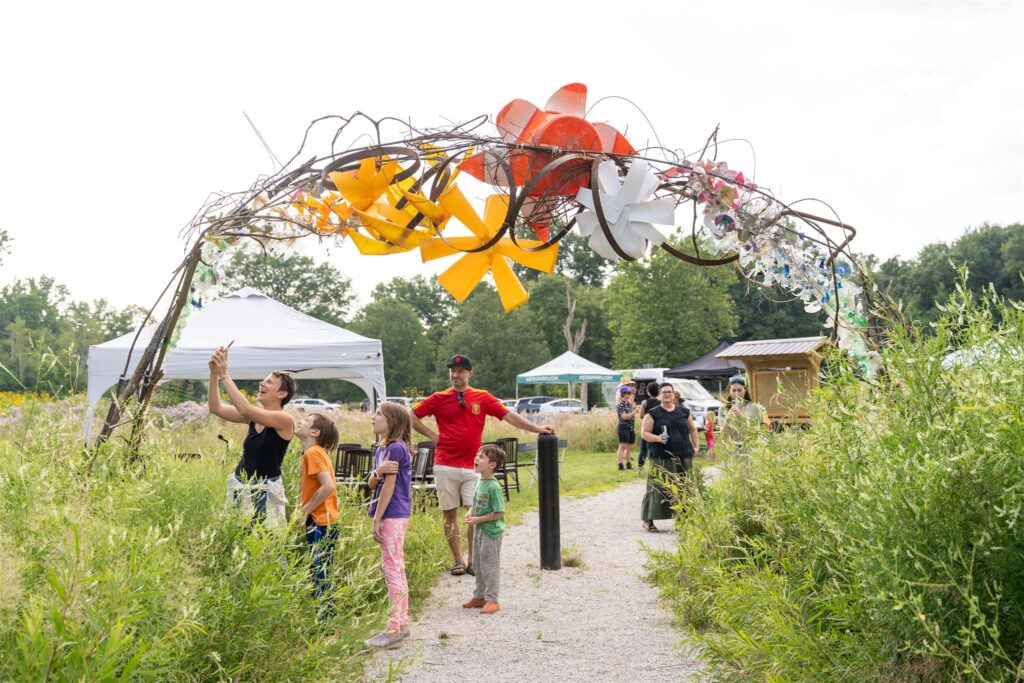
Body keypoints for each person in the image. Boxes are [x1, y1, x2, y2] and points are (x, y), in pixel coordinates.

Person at [411, 354, 554, 577]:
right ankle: (458, 560)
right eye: (452, 370)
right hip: (445, 464)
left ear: (470, 373)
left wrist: (537, 429)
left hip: (473, 466)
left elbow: (509, 416)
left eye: (460, 370)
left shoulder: (482, 397)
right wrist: (431, 435)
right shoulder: (439, 398)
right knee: (449, 514)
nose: (455, 374)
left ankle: (473, 560)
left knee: (474, 513)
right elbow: (411, 415)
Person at [208, 346, 295, 525]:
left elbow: (245, 408)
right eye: (263, 381)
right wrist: (214, 374)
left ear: (282, 394)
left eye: (269, 382)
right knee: (238, 542)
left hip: (265, 490)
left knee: (266, 542)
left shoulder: (285, 420)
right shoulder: (253, 418)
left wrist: (225, 375)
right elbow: (216, 408)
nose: (262, 384)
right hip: (240, 485)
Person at [364, 402, 414, 649]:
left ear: (392, 421)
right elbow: (373, 484)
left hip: (393, 514)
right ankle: (402, 623)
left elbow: (390, 487)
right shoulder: (382, 449)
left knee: (392, 568)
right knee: (396, 567)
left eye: (378, 415)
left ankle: (394, 628)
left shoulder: (396, 448)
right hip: (390, 513)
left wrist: (377, 518)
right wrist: (378, 471)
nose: (373, 418)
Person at [293, 413, 340, 622]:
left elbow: (328, 486)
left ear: (314, 432)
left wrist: (303, 512)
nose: (300, 421)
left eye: (305, 420)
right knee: (323, 573)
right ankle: (328, 623)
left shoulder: (312, 453)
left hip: (319, 521)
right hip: (326, 520)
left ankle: (325, 627)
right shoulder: (317, 452)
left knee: (318, 574)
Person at [639, 382, 699, 532]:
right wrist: (658, 438)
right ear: (659, 395)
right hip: (661, 457)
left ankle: (684, 519)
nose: (667, 394)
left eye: (669, 392)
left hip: (683, 456)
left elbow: (693, 430)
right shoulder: (653, 413)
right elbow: (644, 433)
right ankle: (648, 521)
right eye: (664, 392)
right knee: (658, 487)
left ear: (674, 395)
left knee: (683, 487)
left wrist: (696, 446)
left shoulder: (684, 412)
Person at [462, 444, 506, 615]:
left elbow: (499, 513)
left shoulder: (493, 487)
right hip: (479, 528)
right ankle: (479, 596)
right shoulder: (480, 481)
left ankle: (492, 599)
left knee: (489, 565)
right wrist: (470, 511)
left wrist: (478, 519)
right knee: (478, 564)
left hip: (490, 532)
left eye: (481, 457)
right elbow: (476, 501)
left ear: (491, 465)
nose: (476, 459)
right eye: (477, 455)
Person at [719, 374, 771, 461]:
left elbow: (766, 431)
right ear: (730, 391)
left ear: (745, 390)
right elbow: (723, 436)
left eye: (739, 390)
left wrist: (743, 419)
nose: (736, 393)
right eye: (733, 390)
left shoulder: (757, 408)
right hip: (731, 451)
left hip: (751, 451)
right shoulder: (723, 409)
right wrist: (727, 418)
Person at [615, 385, 638, 470]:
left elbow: (632, 400)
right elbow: (624, 417)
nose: (629, 394)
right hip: (623, 427)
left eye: (630, 393)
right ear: (623, 394)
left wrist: (633, 392)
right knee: (622, 446)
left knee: (629, 447)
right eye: (628, 393)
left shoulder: (629, 403)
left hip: (631, 427)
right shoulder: (620, 404)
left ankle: (628, 464)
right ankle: (620, 465)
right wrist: (634, 412)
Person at [637, 383, 659, 468]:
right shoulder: (660, 402)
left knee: (643, 449)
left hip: (646, 428)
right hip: (657, 429)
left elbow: (641, 416)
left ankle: (640, 467)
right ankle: (655, 465)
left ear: (648, 392)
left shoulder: (645, 402)